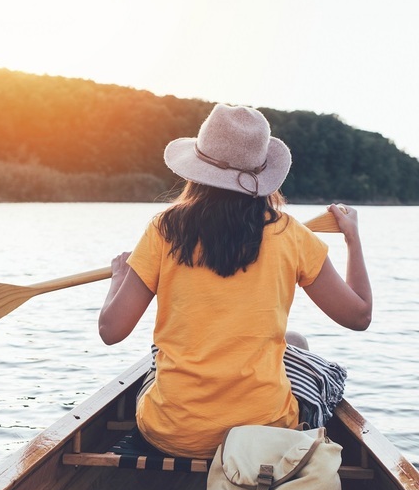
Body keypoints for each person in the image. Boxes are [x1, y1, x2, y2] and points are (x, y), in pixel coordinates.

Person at [98, 103, 372, 459]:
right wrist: (352, 238)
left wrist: (119, 278)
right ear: (262, 174)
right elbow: (358, 316)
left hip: (172, 433)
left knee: (162, 360)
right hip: (262, 432)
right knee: (301, 350)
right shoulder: (292, 235)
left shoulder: (164, 230)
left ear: (196, 171)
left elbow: (111, 330)